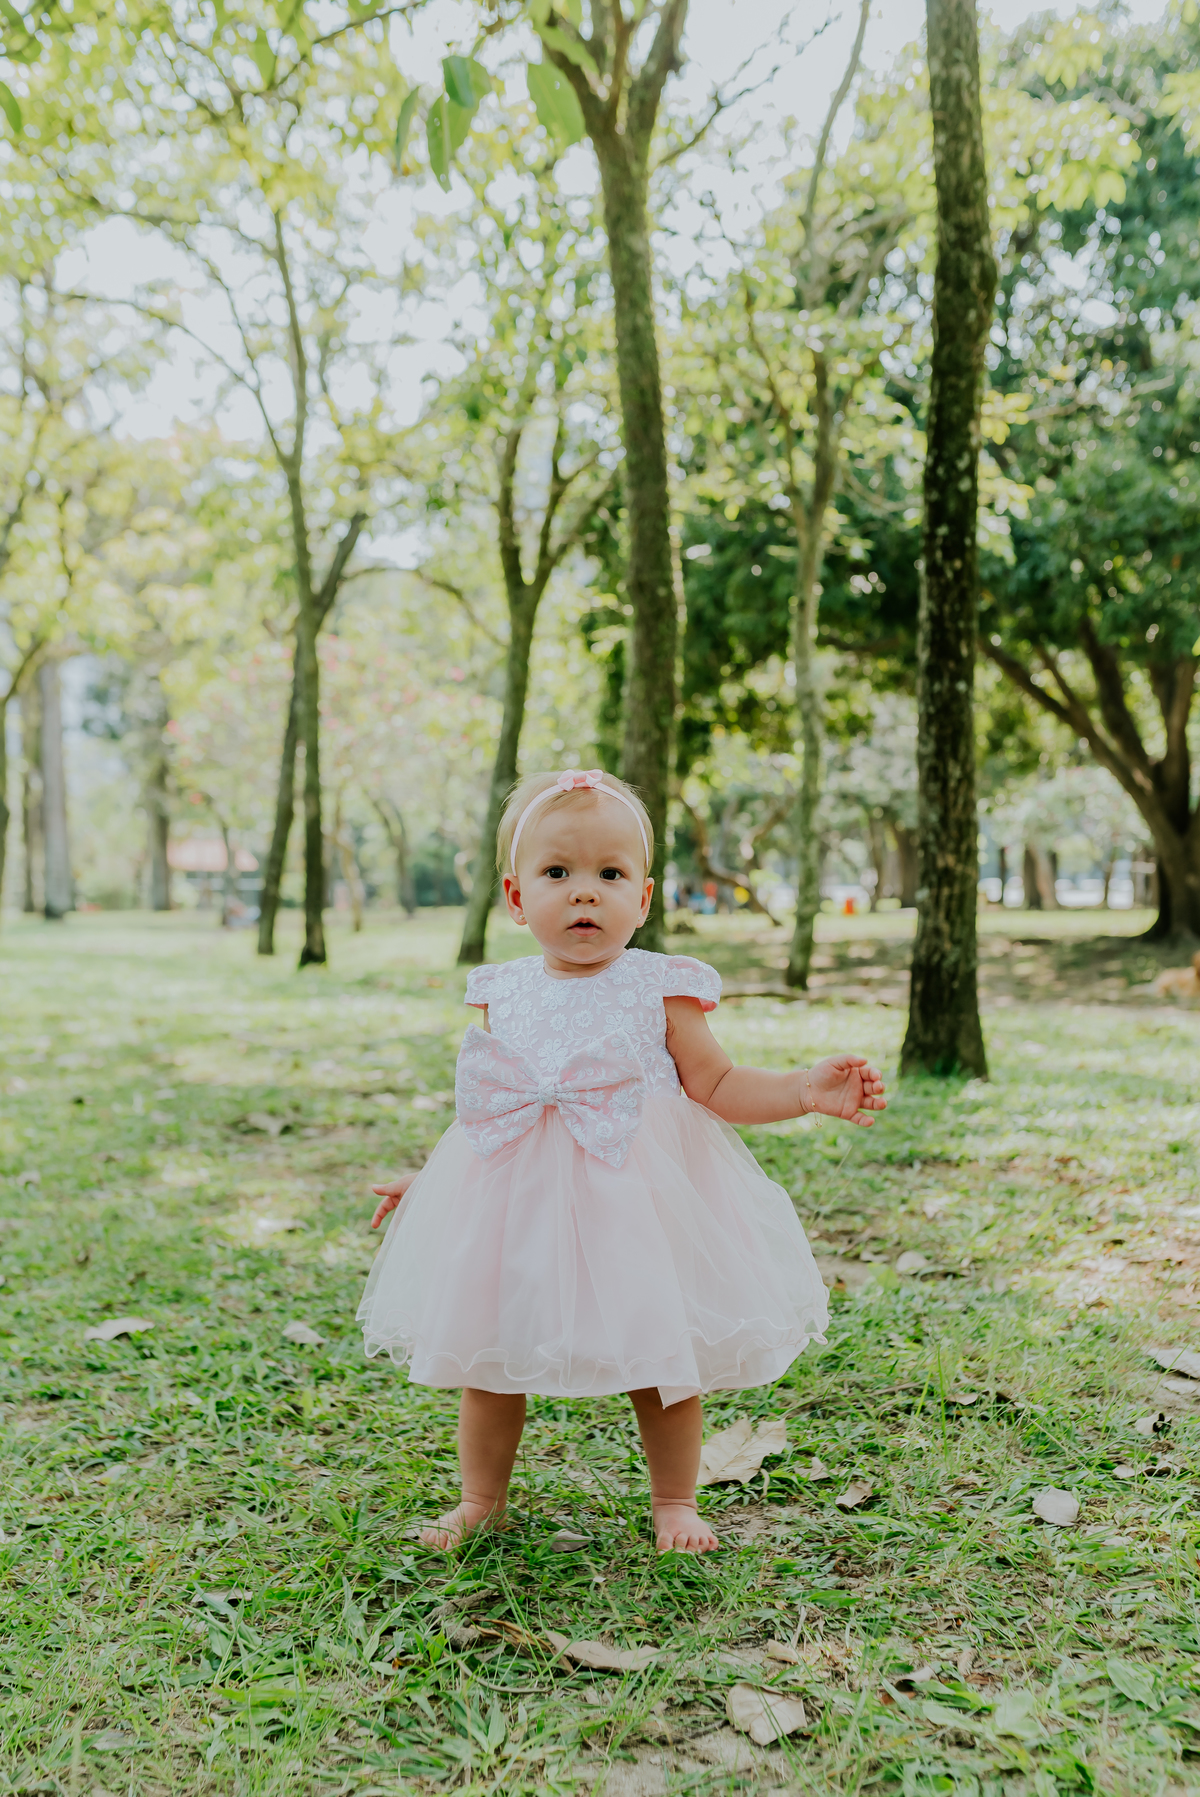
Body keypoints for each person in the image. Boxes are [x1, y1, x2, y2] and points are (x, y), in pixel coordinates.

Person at [358, 767, 886, 1554]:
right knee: (490, 1351)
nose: (583, 893)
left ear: (641, 899)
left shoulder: (660, 986)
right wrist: (432, 1182)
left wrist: (804, 1089)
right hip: (517, 1198)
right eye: (558, 873)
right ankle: (481, 1498)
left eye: (610, 874)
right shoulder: (501, 990)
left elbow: (717, 1082)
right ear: (515, 896)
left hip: (638, 1197)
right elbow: (491, 1104)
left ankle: (675, 1499)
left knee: (660, 1350)